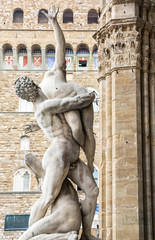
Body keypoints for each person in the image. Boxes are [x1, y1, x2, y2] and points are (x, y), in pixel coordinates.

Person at [15, 76, 99, 240]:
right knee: (48, 197)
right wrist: (89, 96)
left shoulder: (42, 108)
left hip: (71, 156)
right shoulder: (45, 106)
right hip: (58, 154)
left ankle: (87, 234)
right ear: (35, 87)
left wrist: (35, 126)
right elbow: (70, 103)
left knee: (92, 191)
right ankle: (27, 236)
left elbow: (54, 121)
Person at [40, 6, 95, 174]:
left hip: (78, 94)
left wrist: (54, 22)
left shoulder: (56, 70)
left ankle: (91, 162)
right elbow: (47, 116)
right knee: (76, 129)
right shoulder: (41, 92)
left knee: (87, 130)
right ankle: (75, 157)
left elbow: (60, 44)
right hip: (65, 107)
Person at [19, 153, 81, 240]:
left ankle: (67, 236)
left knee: (24, 238)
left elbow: (46, 200)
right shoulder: (59, 172)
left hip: (64, 216)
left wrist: (31, 228)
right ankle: (66, 236)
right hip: (75, 220)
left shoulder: (48, 176)